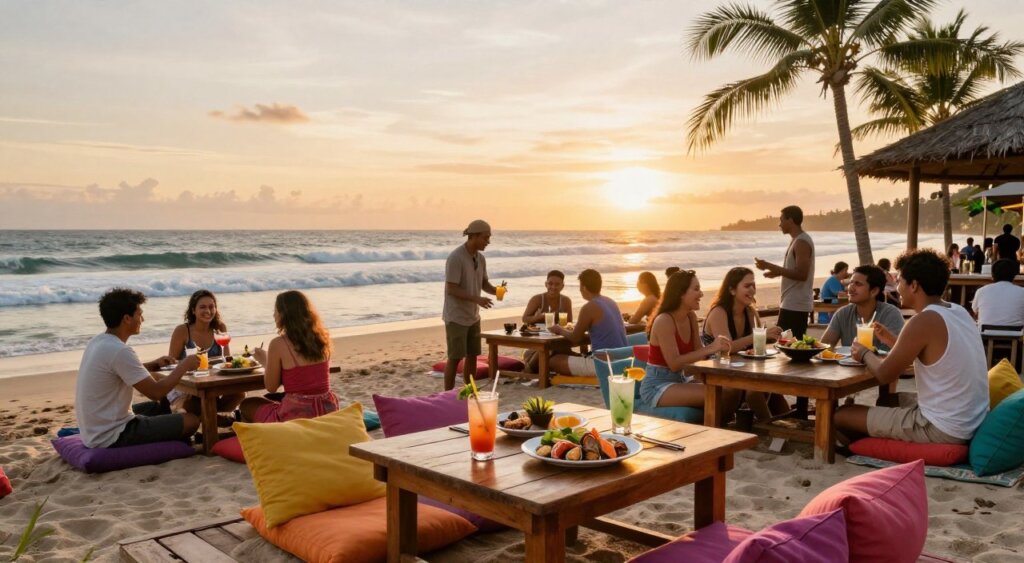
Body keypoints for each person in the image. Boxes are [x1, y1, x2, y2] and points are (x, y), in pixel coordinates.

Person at [834, 249, 988, 445]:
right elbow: (931, 355)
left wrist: (863, 352)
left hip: (942, 428)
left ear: (914, 285)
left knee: (840, 414)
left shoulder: (923, 320)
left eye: (899, 281)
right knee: (887, 400)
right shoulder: (958, 311)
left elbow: (884, 375)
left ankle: (871, 446)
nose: (896, 288)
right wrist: (892, 340)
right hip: (969, 420)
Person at [75, 288, 200, 448]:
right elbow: (155, 392)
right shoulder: (120, 350)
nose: (143, 319)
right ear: (127, 319)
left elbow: (119, 371)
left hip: (95, 425)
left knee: (159, 408)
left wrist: (154, 364)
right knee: (191, 421)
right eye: (139, 314)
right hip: (112, 434)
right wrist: (184, 366)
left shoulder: (98, 342)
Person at [640, 270, 740, 412]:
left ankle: (721, 424)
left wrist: (716, 355)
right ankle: (716, 425)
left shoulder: (690, 316)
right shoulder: (664, 320)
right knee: (719, 394)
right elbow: (674, 364)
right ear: (680, 293)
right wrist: (711, 348)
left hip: (683, 378)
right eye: (696, 289)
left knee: (732, 390)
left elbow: (699, 355)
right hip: (658, 385)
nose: (701, 294)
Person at [240, 291, 340, 422]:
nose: (273, 315)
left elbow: (271, 387)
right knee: (275, 399)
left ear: (283, 314)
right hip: (326, 410)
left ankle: (266, 435)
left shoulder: (278, 343)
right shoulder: (322, 338)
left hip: (297, 414)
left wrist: (265, 360)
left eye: (275, 311)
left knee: (247, 404)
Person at [702, 267, 788, 420]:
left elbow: (753, 346)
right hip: (717, 371)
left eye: (754, 285)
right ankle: (767, 425)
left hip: (740, 368)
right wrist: (759, 335)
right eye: (747, 286)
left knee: (765, 388)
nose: (753, 290)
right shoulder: (719, 312)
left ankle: (782, 424)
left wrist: (771, 338)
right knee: (754, 391)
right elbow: (726, 347)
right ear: (732, 290)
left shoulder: (749, 312)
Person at [166, 290, 244, 418]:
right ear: (193, 310)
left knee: (239, 394)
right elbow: (171, 365)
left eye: (211, 307)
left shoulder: (219, 328)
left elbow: (227, 361)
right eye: (202, 307)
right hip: (186, 385)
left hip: (210, 383)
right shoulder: (182, 331)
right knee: (193, 404)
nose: (208, 311)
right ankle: (216, 417)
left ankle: (214, 417)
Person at [441, 219, 497, 390]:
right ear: (473, 236)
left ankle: (470, 391)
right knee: (455, 357)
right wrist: (477, 299)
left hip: (473, 315)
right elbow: (451, 289)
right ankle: (447, 395)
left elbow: (484, 283)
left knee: (473, 355)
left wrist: (496, 291)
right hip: (456, 316)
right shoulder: (456, 257)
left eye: (489, 237)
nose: (488, 241)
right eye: (485, 238)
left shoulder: (481, 258)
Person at [548, 269, 627, 376]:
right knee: (568, 354)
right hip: (623, 361)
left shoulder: (589, 307)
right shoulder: (610, 301)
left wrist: (559, 329)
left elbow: (575, 338)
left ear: (584, 287)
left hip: (604, 365)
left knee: (553, 360)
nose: (580, 289)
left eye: (580, 286)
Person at [755, 205, 815, 338]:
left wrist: (769, 265)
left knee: (786, 342)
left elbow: (802, 274)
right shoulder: (797, 240)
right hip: (791, 302)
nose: (779, 224)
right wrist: (776, 272)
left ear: (790, 220)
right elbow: (795, 270)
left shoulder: (801, 242)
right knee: (786, 342)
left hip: (795, 304)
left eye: (782, 220)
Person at [821, 265, 904, 351]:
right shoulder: (842, 314)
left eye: (858, 284)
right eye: (851, 283)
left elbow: (900, 351)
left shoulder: (891, 314)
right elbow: (824, 348)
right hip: (849, 360)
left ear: (874, 291)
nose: (850, 288)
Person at [972, 259, 1024, 328]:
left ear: (992, 275)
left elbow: (975, 311)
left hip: (985, 333)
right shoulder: (1022, 292)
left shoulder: (981, 291)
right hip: (1016, 333)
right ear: (1014, 276)